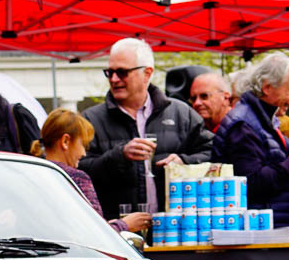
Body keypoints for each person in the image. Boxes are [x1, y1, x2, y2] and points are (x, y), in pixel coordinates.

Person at [81, 38, 212, 218]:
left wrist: (184, 161)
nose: (114, 79)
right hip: (117, 228)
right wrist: (119, 156)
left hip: (174, 227)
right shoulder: (90, 119)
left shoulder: (181, 113)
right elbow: (79, 171)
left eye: (122, 72)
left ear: (147, 73)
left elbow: (213, 153)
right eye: (109, 72)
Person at [211, 52, 289, 234]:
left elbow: (270, 170)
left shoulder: (263, 120)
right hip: (262, 235)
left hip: (273, 231)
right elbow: (250, 182)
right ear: (267, 88)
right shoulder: (244, 125)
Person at [33, 109, 150, 237]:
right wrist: (125, 224)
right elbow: (96, 235)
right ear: (65, 141)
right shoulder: (76, 178)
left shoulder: (30, 175)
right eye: (84, 145)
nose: (84, 153)